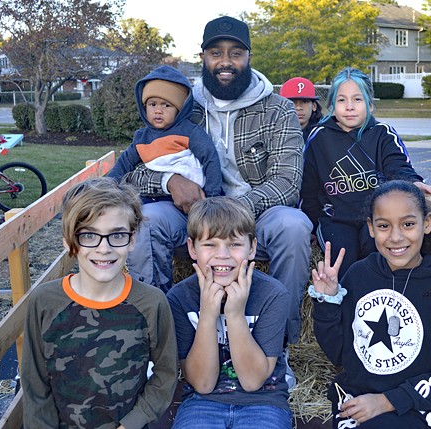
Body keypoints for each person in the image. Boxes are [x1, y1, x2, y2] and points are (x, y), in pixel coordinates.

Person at [123, 16, 312, 346]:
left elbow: (287, 182)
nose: (226, 61)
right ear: (203, 57)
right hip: (189, 214)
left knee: (294, 226)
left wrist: (233, 209)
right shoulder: (183, 108)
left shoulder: (278, 109)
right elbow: (130, 170)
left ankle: (278, 344)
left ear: (249, 56)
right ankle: (160, 340)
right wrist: (169, 180)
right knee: (147, 221)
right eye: (216, 52)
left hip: (257, 214)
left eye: (236, 53)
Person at [309, 180, 431, 429]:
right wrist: (327, 301)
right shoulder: (359, 275)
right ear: (371, 228)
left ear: (426, 224)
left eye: (408, 224)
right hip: (359, 402)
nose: (395, 236)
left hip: (421, 410)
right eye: (384, 226)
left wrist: (387, 401)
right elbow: (338, 353)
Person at [21, 177, 178, 429]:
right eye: (89, 235)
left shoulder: (151, 303)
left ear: (132, 239)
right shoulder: (44, 302)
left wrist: (132, 423)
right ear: (69, 241)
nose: (104, 249)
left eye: (117, 235)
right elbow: (35, 385)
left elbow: (166, 374)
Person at [300, 67, 431, 280]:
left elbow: (396, 164)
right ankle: (344, 309)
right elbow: (308, 188)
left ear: (370, 104)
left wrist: (412, 182)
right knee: (343, 260)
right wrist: (310, 225)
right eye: (341, 100)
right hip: (337, 219)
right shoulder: (319, 138)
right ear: (332, 105)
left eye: (357, 99)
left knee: (377, 257)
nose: (349, 107)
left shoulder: (383, 134)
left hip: (377, 218)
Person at [166, 196, 292, 428]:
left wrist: (234, 315)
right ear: (192, 248)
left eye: (234, 244)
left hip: (263, 402)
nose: (222, 254)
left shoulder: (272, 295)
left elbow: (253, 381)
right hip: (202, 402)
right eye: (210, 244)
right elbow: (202, 384)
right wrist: (207, 315)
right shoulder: (179, 298)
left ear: (252, 247)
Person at [108, 64, 223, 204]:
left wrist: (212, 196)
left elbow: (210, 158)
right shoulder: (141, 139)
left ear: (179, 109)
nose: (158, 110)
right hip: (154, 197)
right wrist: (107, 186)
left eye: (166, 105)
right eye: (152, 104)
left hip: (196, 196)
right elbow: (123, 164)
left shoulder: (189, 131)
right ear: (144, 107)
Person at [280, 76, 323, 141]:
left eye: (305, 101)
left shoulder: (322, 133)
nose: (299, 107)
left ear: (314, 106)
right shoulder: (273, 132)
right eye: (292, 102)